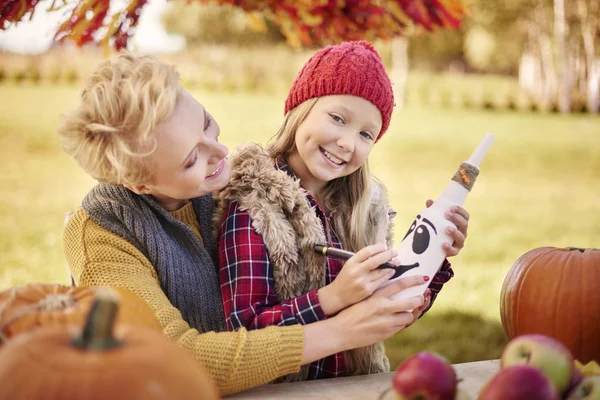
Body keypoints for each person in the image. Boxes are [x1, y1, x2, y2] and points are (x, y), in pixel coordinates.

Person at [59, 51, 429, 397]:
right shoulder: (102, 234)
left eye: (205, 123)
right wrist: (341, 331)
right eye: (192, 159)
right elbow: (172, 357)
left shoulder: (230, 187)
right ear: (140, 184)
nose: (221, 153)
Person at [215, 41, 469, 382]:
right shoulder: (253, 205)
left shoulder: (363, 212)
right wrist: (332, 298)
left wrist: (433, 255)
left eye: (366, 134)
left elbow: (379, 316)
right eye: (337, 118)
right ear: (300, 109)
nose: (348, 143)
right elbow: (244, 333)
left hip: (352, 387)